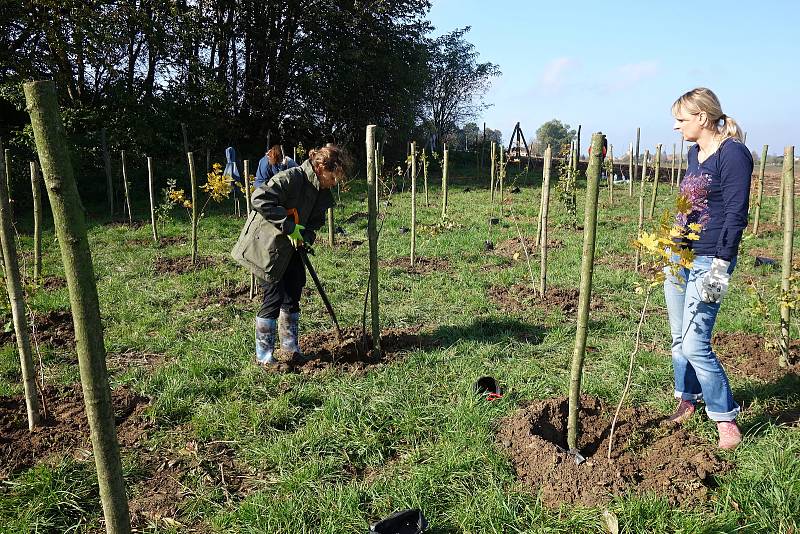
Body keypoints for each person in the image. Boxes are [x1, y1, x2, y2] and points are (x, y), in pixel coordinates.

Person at [665, 87, 753, 450]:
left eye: (681, 119)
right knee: (677, 340)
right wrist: (673, 236)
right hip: (679, 258)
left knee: (695, 343)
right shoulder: (693, 153)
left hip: (711, 261)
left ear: (702, 117)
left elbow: (736, 213)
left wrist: (720, 265)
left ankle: (725, 417)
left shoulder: (733, 155)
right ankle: (688, 397)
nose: (676, 126)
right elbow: (691, 203)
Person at [231, 145, 348, 366]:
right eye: (333, 177)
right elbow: (260, 198)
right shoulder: (292, 177)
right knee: (274, 297)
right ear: (321, 167)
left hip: (293, 248)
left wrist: (305, 236)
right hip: (267, 246)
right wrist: (288, 226)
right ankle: (264, 357)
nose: (335, 183)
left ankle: (290, 349)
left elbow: (315, 222)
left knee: (293, 293)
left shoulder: (322, 192)